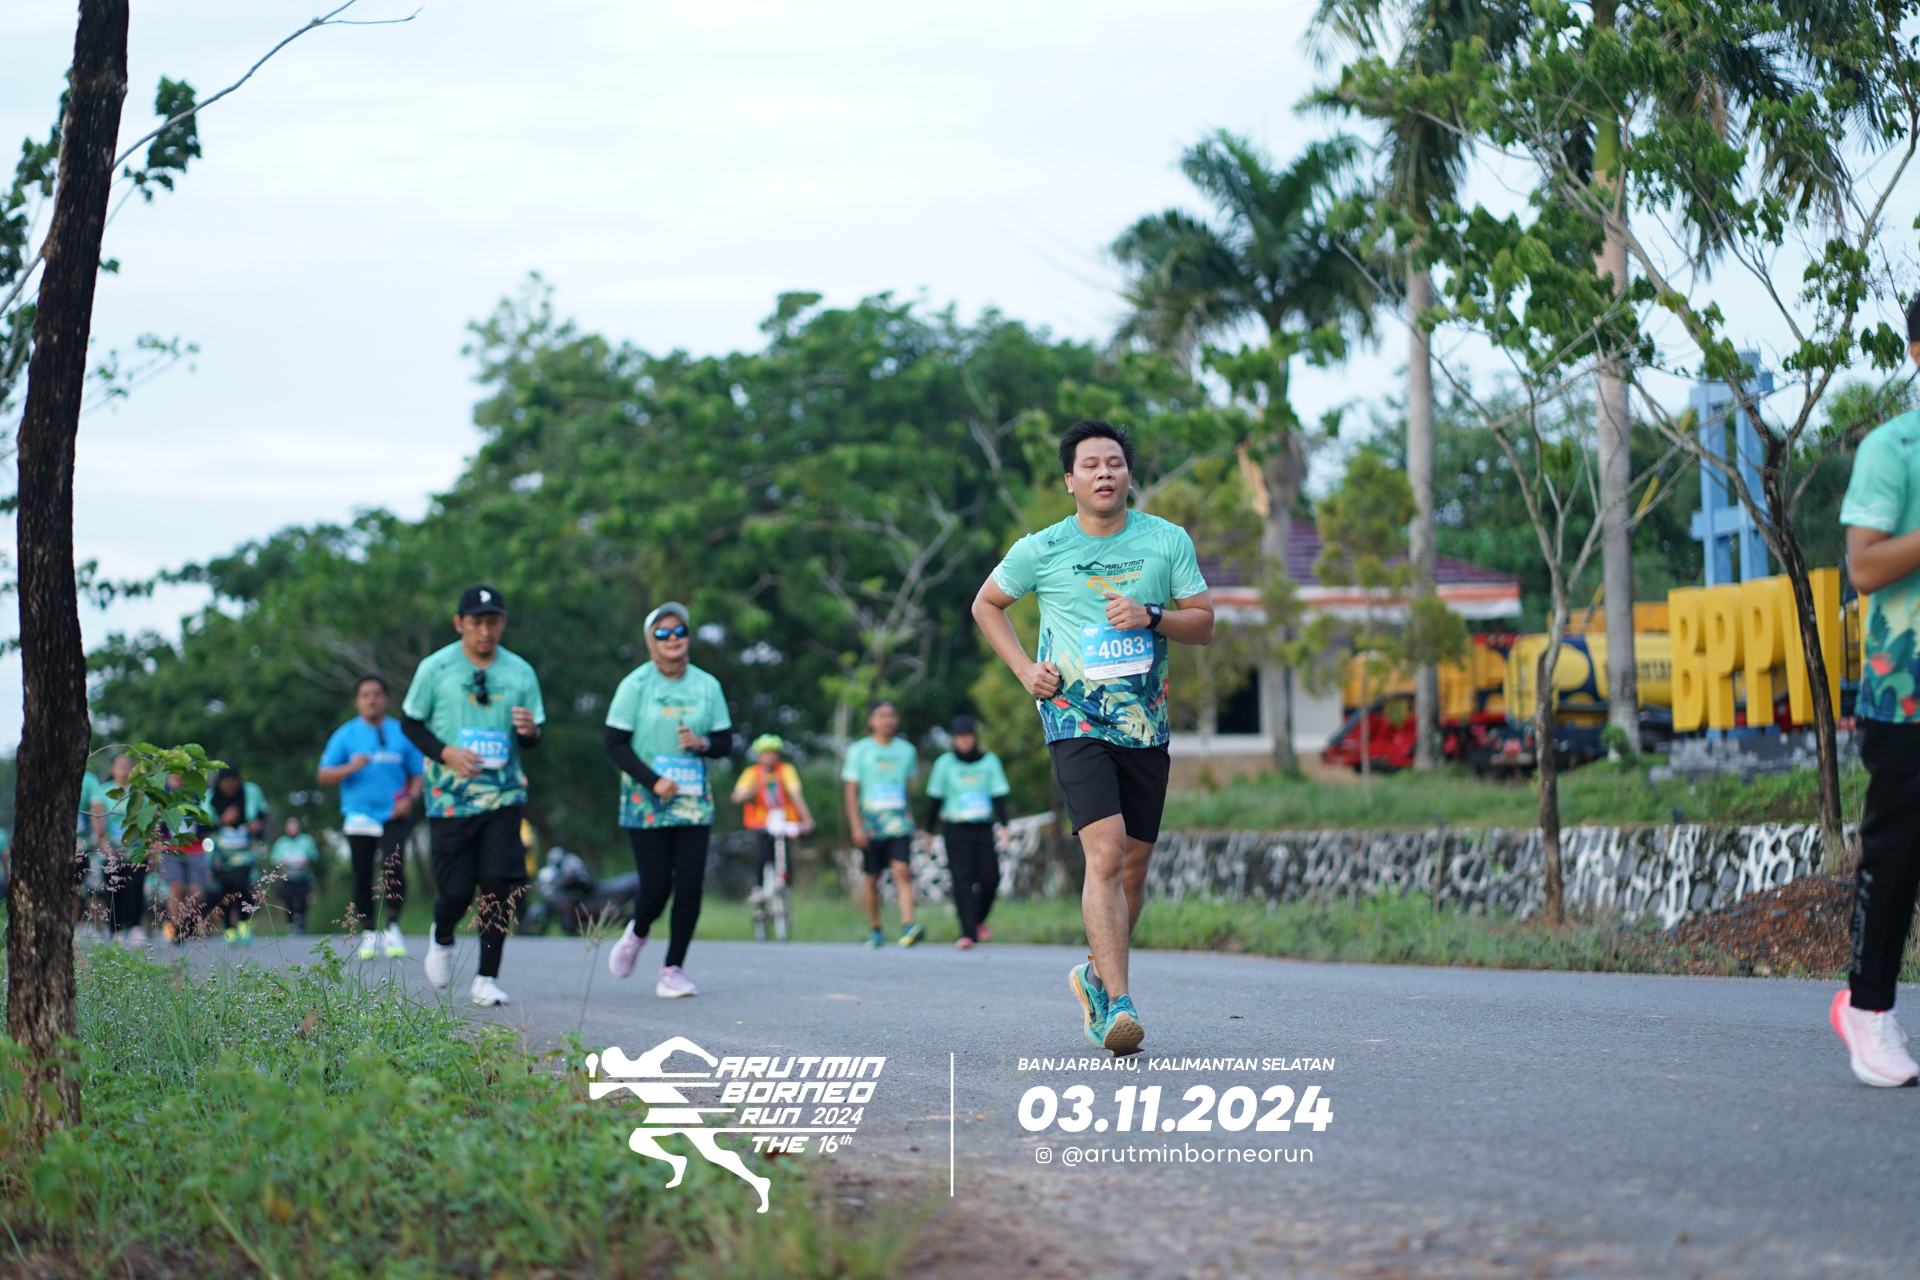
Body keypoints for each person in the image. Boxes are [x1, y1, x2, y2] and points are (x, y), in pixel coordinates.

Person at [972, 418, 1213, 1056]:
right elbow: (986, 604)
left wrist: (1152, 616)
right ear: (1070, 481)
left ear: (1129, 475)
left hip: (1146, 724)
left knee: (1133, 867)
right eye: (1091, 465)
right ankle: (1121, 1005)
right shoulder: (1042, 548)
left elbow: (1204, 623)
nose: (1104, 473)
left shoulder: (1166, 541)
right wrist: (1025, 669)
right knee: (1103, 855)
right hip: (1073, 716)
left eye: (1115, 463)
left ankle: (1095, 975)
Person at [1831, 296, 1920, 1087]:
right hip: (1905, 692)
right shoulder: (1893, 449)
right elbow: (1863, 565)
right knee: (1898, 852)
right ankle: (1867, 1009)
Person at [400, 584, 547, 1007]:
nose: (486, 631)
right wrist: (446, 752)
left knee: (499, 885)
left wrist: (530, 732)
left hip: (504, 796)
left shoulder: (521, 671)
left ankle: (487, 978)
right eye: (477, 622)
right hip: (451, 798)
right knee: (457, 891)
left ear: (503, 623)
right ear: (459, 623)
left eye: (493, 622)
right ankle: (443, 934)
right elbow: (410, 724)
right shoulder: (435, 668)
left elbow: (534, 734)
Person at [603, 602, 734, 998]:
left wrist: (702, 743)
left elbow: (725, 742)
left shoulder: (707, 685)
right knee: (657, 886)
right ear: (650, 641)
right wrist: (653, 781)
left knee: (691, 883)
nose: (672, 638)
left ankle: (672, 969)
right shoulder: (635, 685)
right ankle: (637, 932)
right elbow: (614, 743)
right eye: (662, 633)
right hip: (646, 801)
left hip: (693, 801)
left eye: (680, 631)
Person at [319, 673, 426, 958]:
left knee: (393, 868)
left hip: (393, 813)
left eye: (377, 694)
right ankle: (368, 930)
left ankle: (393, 925)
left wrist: (411, 799)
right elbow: (324, 774)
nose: (372, 700)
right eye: (365, 695)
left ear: (386, 699)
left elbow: (418, 773)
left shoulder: (401, 732)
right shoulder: (346, 735)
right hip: (359, 816)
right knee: (362, 872)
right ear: (357, 701)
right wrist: (350, 767)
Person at [923, 715, 1010, 949]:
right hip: (955, 827)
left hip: (983, 827)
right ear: (954, 739)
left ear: (974, 737)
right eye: (960, 737)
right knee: (962, 878)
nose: (964, 741)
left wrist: (1004, 825)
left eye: (968, 736)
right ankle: (968, 932)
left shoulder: (989, 762)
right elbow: (935, 800)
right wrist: (928, 832)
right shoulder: (944, 764)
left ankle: (977, 920)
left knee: (991, 878)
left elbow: (999, 796)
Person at [843, 700, 923, 948]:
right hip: (870, 825)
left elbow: (909, 788)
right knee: (871, 878)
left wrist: (909, 816)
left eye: (891, 715)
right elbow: (851, 791)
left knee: (902, 870)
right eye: (881, 715)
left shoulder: (907, 751)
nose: (887, 720)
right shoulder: (859, 751)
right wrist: (855, 826)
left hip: (899, 824)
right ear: (871, 721)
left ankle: (908, 925)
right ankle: (875, 928)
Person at [732, 734, 816, 886]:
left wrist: (807, 818)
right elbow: (736, 797)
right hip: (761, 821)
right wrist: (752, 790)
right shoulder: (753, 772)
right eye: (765, 753)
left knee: (785, 857)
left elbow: (796, 795)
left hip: (785, 819)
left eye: (772, 753)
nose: (769, 757)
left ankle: (785, 889)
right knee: (762, 855)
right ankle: (759, 888)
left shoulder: (786, 770)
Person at [207, 768, 268, 945]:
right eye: (226, 782)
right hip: (221, 855)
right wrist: (222, 820)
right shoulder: (210, 798)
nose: (230, 786)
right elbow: (203, 826)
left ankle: (243, 922)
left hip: (245, 852)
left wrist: (256, 827)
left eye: (233, 781)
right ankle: (229, 929)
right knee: (224, 890)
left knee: (241, 885)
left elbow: (262, 815)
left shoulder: (251, 793)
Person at [99, 753, 151, 945]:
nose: (124, 768)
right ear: (112, 769)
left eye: (128, 765)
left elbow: (148, 822)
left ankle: (135, 926)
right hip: (111, 848)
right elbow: (99, 823)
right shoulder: (103, 792)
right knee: (113, 889)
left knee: (135, 888)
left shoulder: (140, 793)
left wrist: (149, 849)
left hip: (136, 850)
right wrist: (106, 849)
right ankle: (115, 929)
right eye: (120, 765)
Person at [158, 771, 211, 942]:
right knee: (176, 886)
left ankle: (189, 922)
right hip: (171, 846)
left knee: (197, 892)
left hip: (195, 847)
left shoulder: (196, 790)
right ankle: (176, 927)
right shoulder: (161, 791)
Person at [272, 816, 319, 934]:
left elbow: (314, 856)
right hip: (287, 877)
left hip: (303, 877)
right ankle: (291, 923)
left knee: (304, 899)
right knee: (287, 899)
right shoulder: (281, 843)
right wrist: (283, 862)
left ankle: (302, 923)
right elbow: (274, 859)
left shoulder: (306, 840)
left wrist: (306, 861)